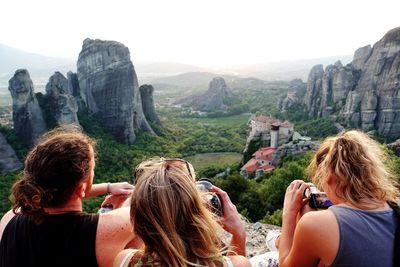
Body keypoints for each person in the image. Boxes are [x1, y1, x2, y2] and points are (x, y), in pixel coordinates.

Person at [0, 128, 141, 267]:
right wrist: (119, 201)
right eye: (92, 170)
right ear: (81, 189)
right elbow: (141, 205)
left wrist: (107, 187)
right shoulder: (108, 229)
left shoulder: (10, 219)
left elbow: (49, 194)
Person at [279, 130, 399, 267]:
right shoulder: (395, 204)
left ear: (328, 176)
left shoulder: (314, 224)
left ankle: (277, 240)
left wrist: (289, 212)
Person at [113, 158, 252, 267]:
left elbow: (145, 248)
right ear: (200, 216)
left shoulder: (123, 260)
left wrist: (145, 209)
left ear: (134, 220)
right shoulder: (238, 264)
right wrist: (239, 233)